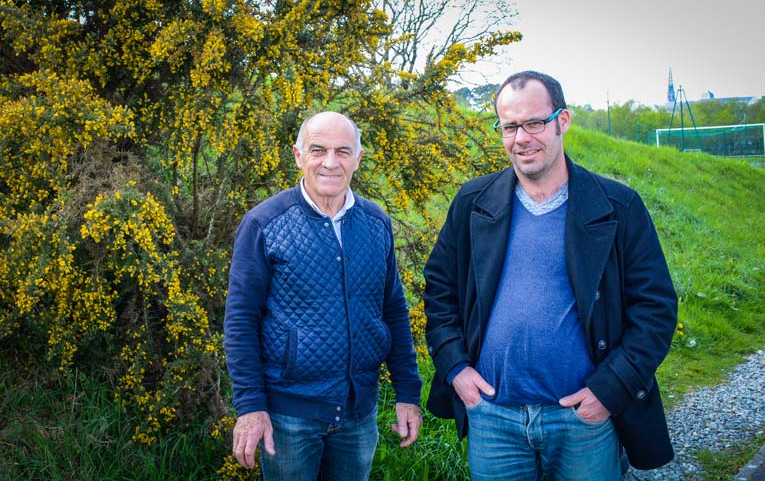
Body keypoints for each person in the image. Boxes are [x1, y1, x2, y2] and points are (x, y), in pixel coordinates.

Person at [424, 71, 678, 480]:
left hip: (583, 420)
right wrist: (455, 369)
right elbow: (439, 292)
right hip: (493, 420)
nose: (522, 137)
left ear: (563, 121)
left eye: (534, 123)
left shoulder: (617, 206)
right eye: (509, 126)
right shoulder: (473, 203)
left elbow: (656, 310)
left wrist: (610, 391)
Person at [224, 111, 423, 480]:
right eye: (318, 150)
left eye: (343, 151)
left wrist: (408, 391)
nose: (330, 162)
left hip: (358, 414)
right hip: (289, 416)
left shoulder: (376, 222)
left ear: (358, 159)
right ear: (298, 155)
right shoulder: (264, 224)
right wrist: (251, 406)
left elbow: (393, 309)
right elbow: (240, 321)